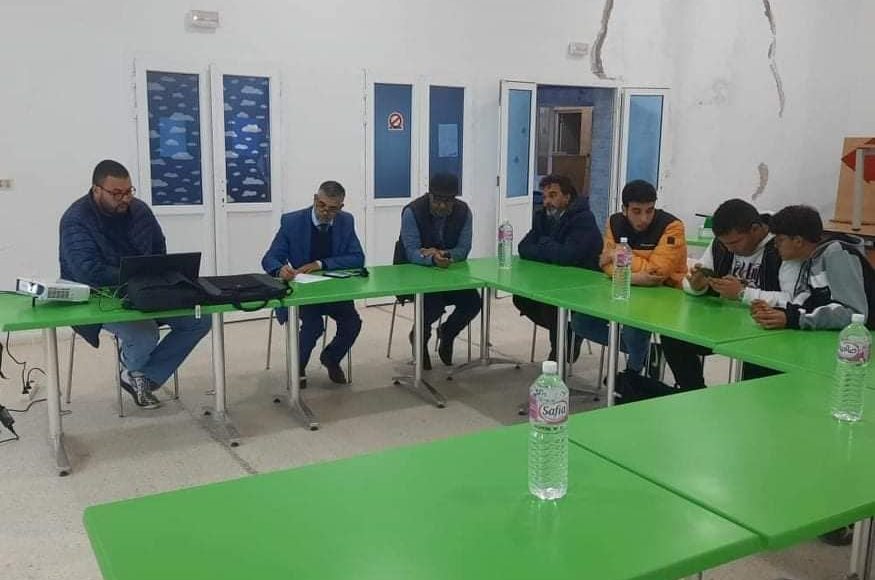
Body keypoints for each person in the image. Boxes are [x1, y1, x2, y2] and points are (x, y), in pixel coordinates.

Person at [59, 160, 211, 409]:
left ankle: (142, 375)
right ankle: (136, 373)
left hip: (144, 289)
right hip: (98, 296)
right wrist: (135, 277)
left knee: (199, 319)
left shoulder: (139, 210)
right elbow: (87, 271)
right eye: (116, 193)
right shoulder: (75, 220)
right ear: (97, 190)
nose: (125, 198)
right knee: (144, 334)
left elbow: (159, 250)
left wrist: (155, 277)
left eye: (128, 191)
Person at [661, 198, 786, 389]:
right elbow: (696, 277)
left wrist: (743, 293)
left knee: (758, 364)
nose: (729, 249)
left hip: (765, 330)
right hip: (724, 324)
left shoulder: (782, 245)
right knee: (674, 338)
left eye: (735, 242)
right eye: (725, 243)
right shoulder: (722, 243)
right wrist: (697, 286)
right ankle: (694, 394)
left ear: (755, 229)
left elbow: (792, 299)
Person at [571, 180, 687, 374]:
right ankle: (649, 353)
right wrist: (637, 277)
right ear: (624, 209)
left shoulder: (672, 226)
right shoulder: (614, 222)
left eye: (649, 210)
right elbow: (606, 266)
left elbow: (657, 273)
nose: (644, 218)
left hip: (666, 294)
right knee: (581, 323)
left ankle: (632, 375)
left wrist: (620, 254)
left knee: (633, 328)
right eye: (636, 211)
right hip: (625, 290)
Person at [262, 181, 364, 384]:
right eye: (321, 205)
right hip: (302, 292)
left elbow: (357, 258)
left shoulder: (346, 221)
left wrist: (320, 264)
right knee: (313, 326)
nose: (325, 212)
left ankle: (331, 358)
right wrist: (280, 269)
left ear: (341, 207)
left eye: (332, 209)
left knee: (352, 323)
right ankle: (297, 368)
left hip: (334, 290)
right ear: (315, 199)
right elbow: (270, 258)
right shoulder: (292, 222)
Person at [394, 173, 480, 369]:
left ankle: (447, 333)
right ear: (429, 195)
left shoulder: (464, 211)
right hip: (415, 274)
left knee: (473, 302)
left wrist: (442, 254)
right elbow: (411, 251)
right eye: (437, 200)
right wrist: (431, 259)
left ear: (454, 199)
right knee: (432, 303)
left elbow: (463, 249)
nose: (441, 205)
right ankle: (419, 338)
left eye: (447, 201)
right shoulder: (412, 211)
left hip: (448, 273)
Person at [514, 174, 602, 361]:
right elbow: (524, 248)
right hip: (553, 279)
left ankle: (559, 352)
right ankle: (569, 332)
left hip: (584, 282)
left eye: (553, 195)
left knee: (550, 304)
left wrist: (544, 244)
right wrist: (550, 249)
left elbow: (567, 256)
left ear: (567, 197)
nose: (547, 202)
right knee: (521, 298)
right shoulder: (542, 217)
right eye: (545, 196)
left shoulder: (583, 218)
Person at [750, 204, 870, 330]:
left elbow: (854, 314)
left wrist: (794, 319)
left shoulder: (837, 254)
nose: (775, 245)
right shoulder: (809, 260)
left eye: (780, 240)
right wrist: (777, 310)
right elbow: (807, 304)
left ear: (798, 241)